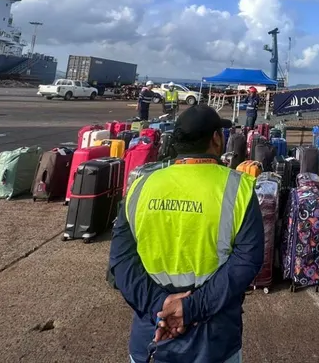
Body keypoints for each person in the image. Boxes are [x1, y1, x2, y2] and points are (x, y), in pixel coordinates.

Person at [110, 104, 264, 363]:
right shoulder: (239, 189)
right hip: (213, 340)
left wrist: (159, 307)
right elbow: (247, 261)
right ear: (216, 139)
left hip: (152, 336)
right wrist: (191, 308)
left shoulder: (141, 186)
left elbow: (121, 261)